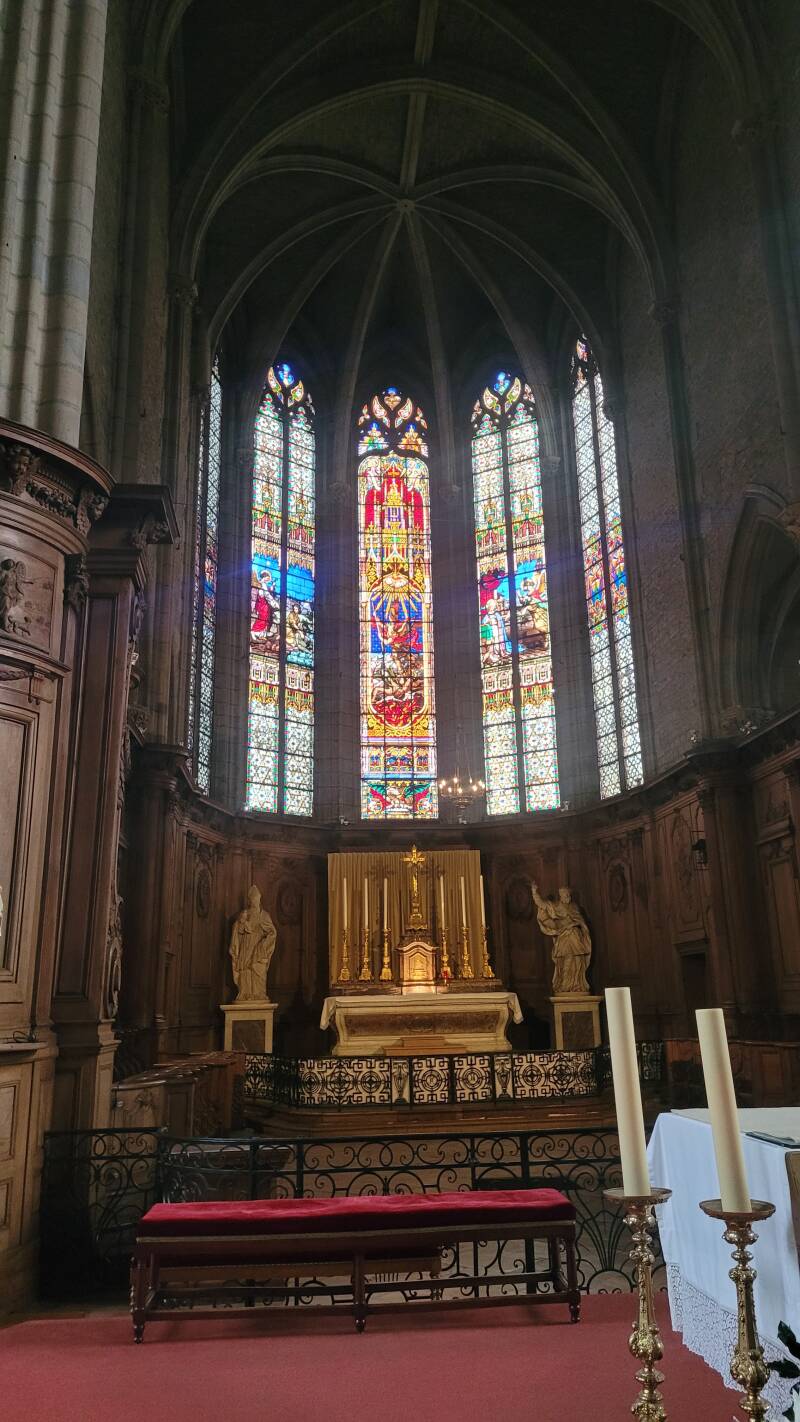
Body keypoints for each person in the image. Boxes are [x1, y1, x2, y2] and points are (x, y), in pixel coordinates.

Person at [531, 882, 592, 995]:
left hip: (576, 936)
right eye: (565, 895)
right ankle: (565, 985)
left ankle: (578, 984)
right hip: (564, 937)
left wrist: (579, 925)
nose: (567, 897)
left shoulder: (574, 907)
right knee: (565, 960)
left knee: (578, 960)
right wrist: (534, 893)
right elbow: (542, 904)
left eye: (568, 895)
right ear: (561, 896)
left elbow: (580, 920)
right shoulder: (556, 906)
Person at [229, 885, 277, 1001]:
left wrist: (263, 946)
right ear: (249, 900)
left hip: (258, 949)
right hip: (245, 947)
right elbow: (237, 931)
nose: (254, 901)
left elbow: (272, 932)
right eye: (252, 899)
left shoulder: (264, 915)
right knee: (245, 970)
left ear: (259, 899)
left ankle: (258, 994)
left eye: (256, 899)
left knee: (257, 971)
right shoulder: (244, 914)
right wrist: (239, 924)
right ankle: (245, 994)